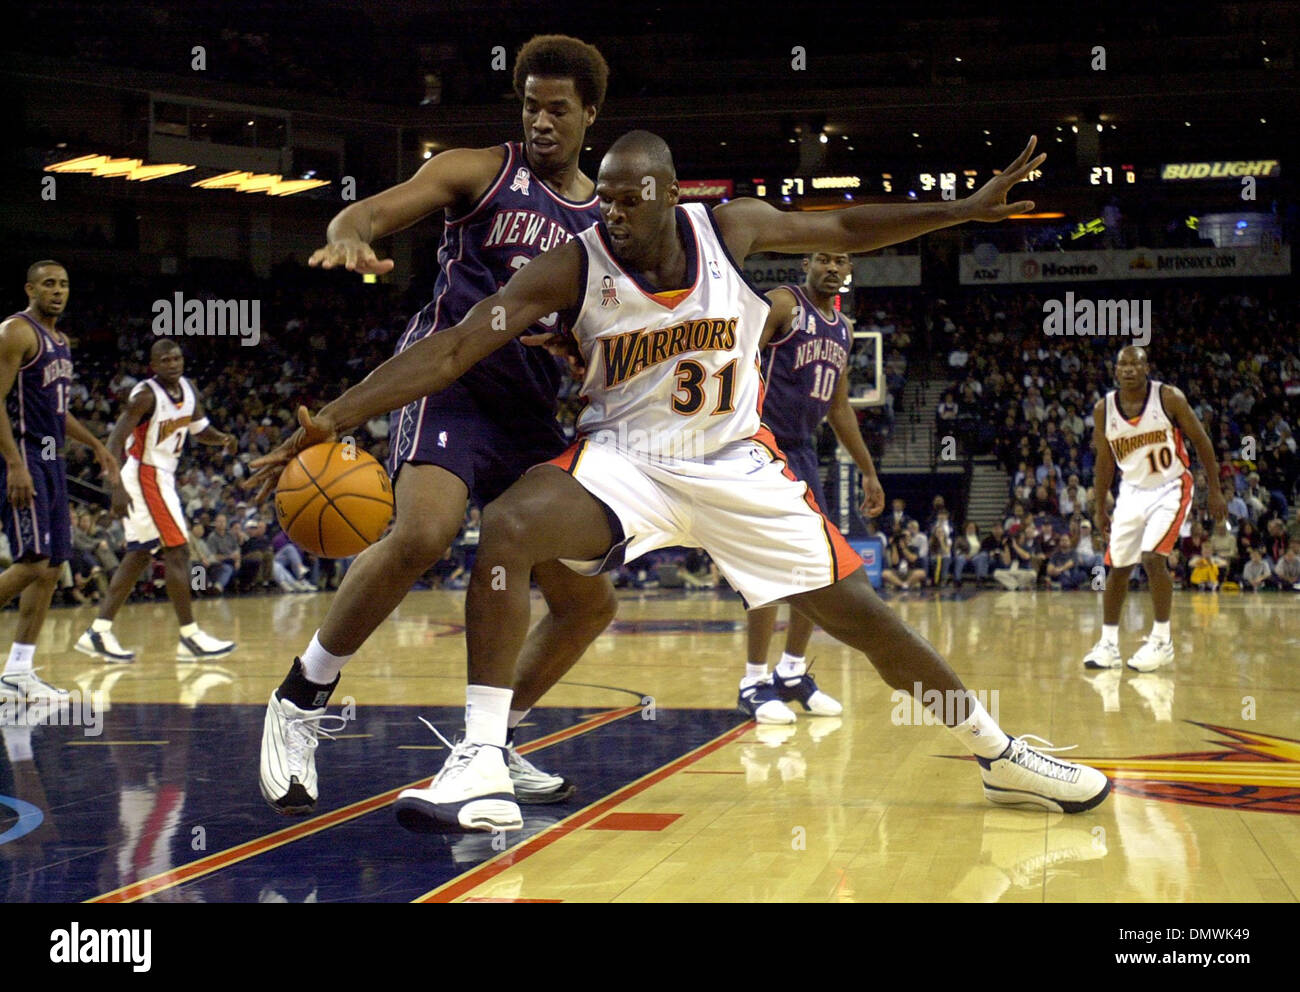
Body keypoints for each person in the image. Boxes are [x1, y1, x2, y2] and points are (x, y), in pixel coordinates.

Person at [255, 131, 1110, 832]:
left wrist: (958, 210)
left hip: (738, 466)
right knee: (510, 527)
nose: (613, 214)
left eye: (630, 200)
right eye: (609, 200)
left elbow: (845, 230)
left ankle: (1001, 754)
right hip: (627, 463)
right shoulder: (571, 266)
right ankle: (479, 756)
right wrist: (335, 415)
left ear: (668, 194)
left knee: (869, 626)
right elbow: (450, 349)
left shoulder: (727, 229)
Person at [254, 35, 617, 815]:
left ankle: (492, 741)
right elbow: (376, 209)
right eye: (531, 106)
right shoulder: (480, 170)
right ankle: (301, 696)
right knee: (424, 532)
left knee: (589, 603)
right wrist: (348, 233)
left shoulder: (603, 223)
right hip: (445, 380)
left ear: (591, 113)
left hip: (529, 409)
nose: (543, 122)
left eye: (560, 109)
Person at [739, 251, 885, 725]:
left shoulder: (842, 328)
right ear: (808, 262)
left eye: (841, 261)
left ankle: (792, 672)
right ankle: (753, 681)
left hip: (802, 452)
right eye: (824, 259)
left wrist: (867, 470)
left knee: (816, 564)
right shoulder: (783, 303)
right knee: (766, 566)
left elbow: (840, 408)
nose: (833, 268)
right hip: (761, 446)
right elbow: (736, 353)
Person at [74, 340, 238, 663]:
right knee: (177, 550)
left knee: (140, 553)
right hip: (144, 474)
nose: (173, 363)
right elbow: (116, 438)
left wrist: (222, 439)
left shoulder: (189, 389)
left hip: (162, 475)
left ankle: (98, 631)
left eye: (177, 357)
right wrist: (116, 485)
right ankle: (190, 636)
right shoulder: (145, 396)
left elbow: (199, 428)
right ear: (154, 365)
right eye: (165, 360)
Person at [0, 262, 118, 704]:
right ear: (30, 288)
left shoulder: (62, 343)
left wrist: (97, 445)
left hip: (51, 461)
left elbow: (59, 411)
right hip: (22, 456)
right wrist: (14, 464)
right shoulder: (15, 331)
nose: (57, 291)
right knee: (31, 561)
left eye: (64, 284)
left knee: (50, 571)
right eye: (48, 283)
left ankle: (17, 673)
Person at [1083, 346, 1227, 672]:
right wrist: (1099, 507)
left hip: (1171, 486)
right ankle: (1108, 644)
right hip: (1131, 491)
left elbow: (1202, 441)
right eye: (1123, 364)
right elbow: (1104, 460)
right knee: (1118, 567)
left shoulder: (1169, 398)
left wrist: (1215, 490)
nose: (1130, 369)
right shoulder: (1103, 409)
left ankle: (1162, 640)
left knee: (1151, 557)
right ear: (1115, 370)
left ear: (1147, 367)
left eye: (1136, 363)